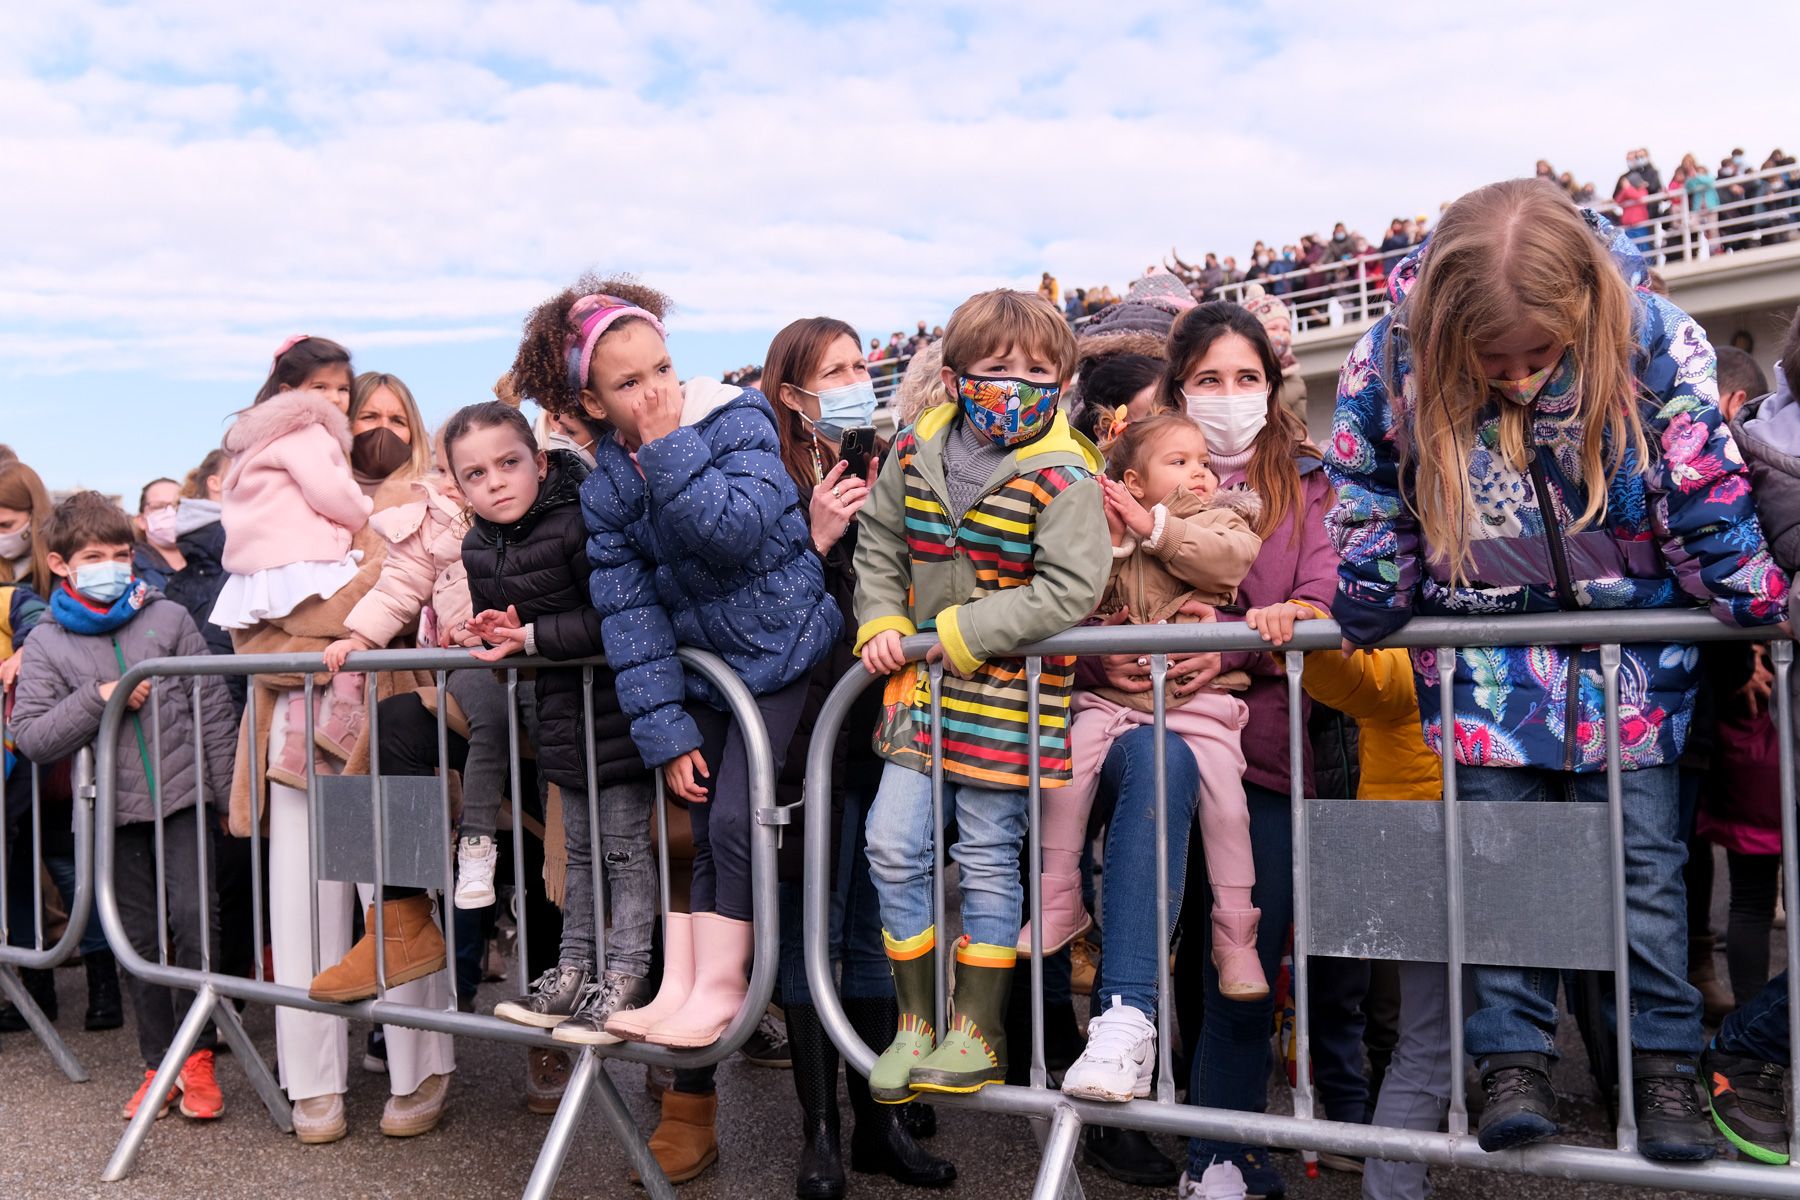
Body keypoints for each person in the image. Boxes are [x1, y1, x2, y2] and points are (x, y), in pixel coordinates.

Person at [1326, 179, 1789, 1163]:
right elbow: (1367, 481)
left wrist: (1746, 587)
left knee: (1648, 878)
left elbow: (1699, 474)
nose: (1521, 375)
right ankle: (1513, 1061)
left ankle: (1664, 1063)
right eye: (1495, 362)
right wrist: (1373, 580)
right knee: (1506, 867)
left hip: (1633, 656)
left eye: (1541, 355)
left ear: (1583, 309)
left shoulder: (1656, 338)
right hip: (1487, 647)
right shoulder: (1392, 358)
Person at [1081, 300, 1338, 1197]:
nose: (1231, 398)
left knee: (1241, 955)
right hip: (1142, 737)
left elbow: (1321, 599)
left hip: (1261, 745)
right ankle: (1168, 1123)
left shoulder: (1311, 481)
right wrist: (1100, 661)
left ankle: (1219, 1154)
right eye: (1210, 381)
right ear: (1178, 386)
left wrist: (1226, 639)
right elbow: (1079, 600)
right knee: (1164, 937)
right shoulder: (1128, 475)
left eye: (1248, 379)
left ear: (1273, 384)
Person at [853, 288, 1109, 1100]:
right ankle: (914, 1022)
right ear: (959, 376)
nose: (1020, 383)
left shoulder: (1068, 473)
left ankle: (977, 1030)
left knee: (992, 859)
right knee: (892, 841)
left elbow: (1073, 587)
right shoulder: (909, 451)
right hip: (920, 690)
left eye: (1039, 370)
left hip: (1009, 694)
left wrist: (961, 631)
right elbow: (881, 542)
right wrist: (883, 618)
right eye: (1000, 368)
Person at [218, 337, 456, 1145]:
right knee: (305, 919)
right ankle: (313, 1083)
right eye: (365, 414)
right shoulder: (289, 510)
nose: (378, 428)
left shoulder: (431, 504)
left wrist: (329, 627)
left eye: (395, 416)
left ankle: (422, 1069)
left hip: (390, 738)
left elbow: (420, 617)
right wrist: (336, 628)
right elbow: (254, 646)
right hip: (296, 750)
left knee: (400, 912)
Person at [763, 316, 956, 1197]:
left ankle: (879, 1123)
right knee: (814, 938)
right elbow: (757, 621)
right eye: (831, 370)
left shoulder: (893, 460)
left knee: (876, 938)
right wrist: (815, 539)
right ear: (791, 393)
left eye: (857, 365)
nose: (852, 381)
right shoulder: (762, 480)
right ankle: (820, 1136)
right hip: (806, 740)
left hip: (891, 731)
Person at [402, 403, 654, 1048]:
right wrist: (488, 629)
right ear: (458, 489)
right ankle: (572, 969)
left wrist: (534, 635)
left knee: (623, 849)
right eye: (476, 474)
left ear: (540, 463)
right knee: (579, 850)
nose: (497, 482)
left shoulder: (580, 522)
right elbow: (506, 621)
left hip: (621, 705)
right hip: (560, 713)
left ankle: (624, 974)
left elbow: (619, 615)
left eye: (509, 463)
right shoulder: (476, 544)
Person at [1052, 410, 1264, 1102]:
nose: (1199, 471)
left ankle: (1235, 934)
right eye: (1179, 462)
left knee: (1228, 808)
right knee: (1067, 774)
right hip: (1115, 706)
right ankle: (1061, 896)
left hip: (1198, 707)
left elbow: (1229, 562)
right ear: (1133, 481)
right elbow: (1080, 602)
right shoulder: (1112, 528)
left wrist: (1157, 529)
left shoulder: (1221, 520)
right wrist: (1114, 544)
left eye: (1203, 459)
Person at [11, 492, 237, 1123]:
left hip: (185, 794)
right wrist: (102, 698)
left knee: (196, 921)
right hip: (111, 813)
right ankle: (158, 1065)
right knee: (138, 941)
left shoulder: (166, 618)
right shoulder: (48, 642)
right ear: (60, 563)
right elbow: (31, 734)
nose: (111, 565)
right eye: (93, 556)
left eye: (119, 554)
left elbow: (212, 705)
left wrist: (223, 791)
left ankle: (198, 1058)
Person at [322, 426, 509, 912]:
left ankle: (411, 919)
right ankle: (402, 914)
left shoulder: (508, 506)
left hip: (515, 656)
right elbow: (397, 586)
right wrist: (359, 637)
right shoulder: (423, 518)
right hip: (446, 664)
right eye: (449, 470)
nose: (455, 482)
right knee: (376, 766)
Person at [1293, 622, 1444, 1200]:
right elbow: (1370, 678)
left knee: (1485, 1026)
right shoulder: (1399, 576)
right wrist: (1310, 625)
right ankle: (1375, 1146)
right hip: (1403, 828)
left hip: (1498, 829)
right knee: (1402, 1021)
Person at [213, 336, 375, 786]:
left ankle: (299, 747)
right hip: (304, 556)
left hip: (264, 564)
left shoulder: (255, 440)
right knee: (347, 633)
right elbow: (328, 491)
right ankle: (343, 715)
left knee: (311, 658)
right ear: (289, 393)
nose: (335, 399)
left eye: (342, 389)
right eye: (319, 388)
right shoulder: (306, 430)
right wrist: (362, 511)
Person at [131, 477, 185, 591]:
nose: (171, 512)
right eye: (159, 506)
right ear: (141, 521)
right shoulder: (130, 566)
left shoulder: (213, 560)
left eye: (178, 504)